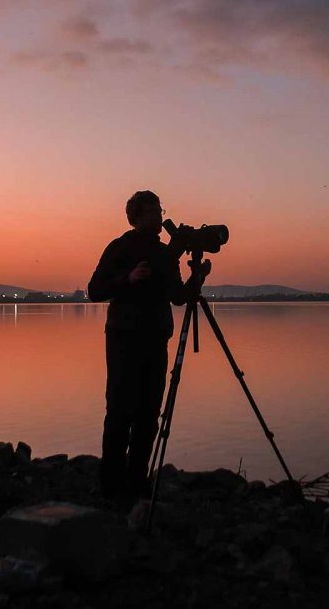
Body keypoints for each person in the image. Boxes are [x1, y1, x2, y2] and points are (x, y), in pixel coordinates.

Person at [87, 190, 199, 508]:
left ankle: (137, 482)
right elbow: (94, 290)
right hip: (123, 340)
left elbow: (178, 297)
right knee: (120, 412)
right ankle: (110, 485)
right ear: (135, 217)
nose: (158, 218)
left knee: (149, 415)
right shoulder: (119, 248)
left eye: (160, 211)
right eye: (152, 212)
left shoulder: (165, 255)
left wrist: (196, 281)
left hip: (156, 340)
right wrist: (128, 278)